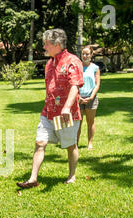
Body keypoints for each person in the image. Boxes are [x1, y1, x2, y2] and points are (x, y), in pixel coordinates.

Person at [17, 28, 84, 189]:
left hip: (64, 115)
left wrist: (67, 107)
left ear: (57, 44)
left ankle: (71, 175)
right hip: (48, 112)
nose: (44, 47)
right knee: (40, 142)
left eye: (46, 44)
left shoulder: (72, 61)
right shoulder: (49, 63)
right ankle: (33, 178)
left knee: (69, 145)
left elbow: (75, 86)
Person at [77, 45, 101, 150]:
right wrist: (78, 97)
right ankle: (75, 144)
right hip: (78, 98)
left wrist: (91, 97)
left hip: (91, 98)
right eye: (83, 54)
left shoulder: (95, 68)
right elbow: (74, 83)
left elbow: (97, 84)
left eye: (87, 54)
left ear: (91, 55)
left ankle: (90, 143)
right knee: (78, 122)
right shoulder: (77, 67)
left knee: (90, 122)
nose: (85, 56)